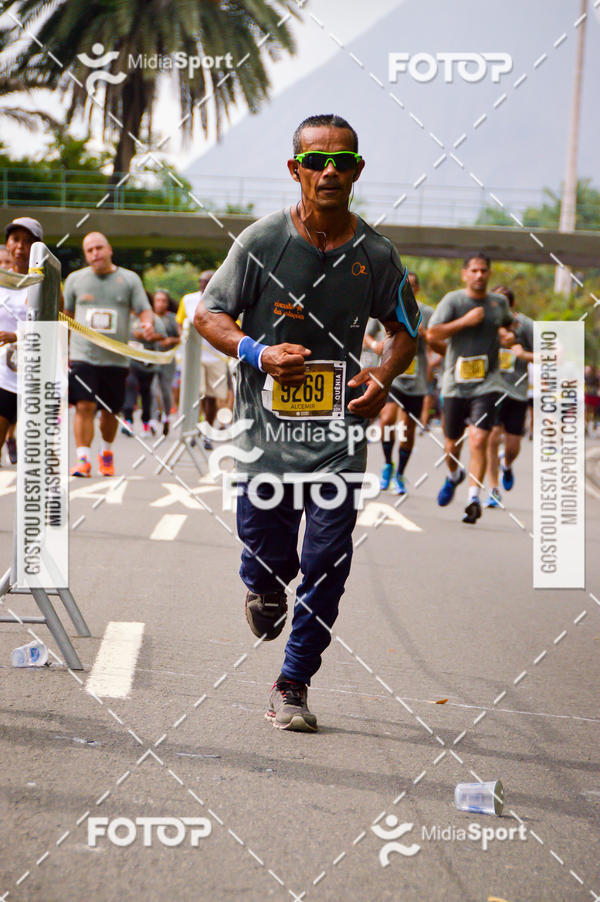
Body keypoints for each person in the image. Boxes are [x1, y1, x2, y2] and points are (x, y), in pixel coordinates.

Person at [194, 113, 419, 731]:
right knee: (270, 560)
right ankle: (263, 586)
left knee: (328, 561)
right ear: (295, 170)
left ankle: (293, 683)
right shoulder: (262, 242)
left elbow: (405, 333)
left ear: (358, 170)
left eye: (342, 161)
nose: (330, 172)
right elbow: (208, 315)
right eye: (317, 161)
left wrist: (384, 375)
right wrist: (259, 354)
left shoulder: (375, 254)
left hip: (337, 441)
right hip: (264, 440)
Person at [427, 252, 513, 524]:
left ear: (489, 273)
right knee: (451, 447)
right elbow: (433, 334)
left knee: (478, 439)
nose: (479, 275)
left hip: (487, 384)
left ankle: (473, 498)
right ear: (465, 274)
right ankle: (454, 475)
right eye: (474, 270)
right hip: (454, 384)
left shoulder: (498, 303)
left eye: (484, 271)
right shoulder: (454, 301)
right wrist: (464, 322)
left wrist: (508, 335)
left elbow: (509, 324)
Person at [64, 231, 153, 477]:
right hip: (82, 356)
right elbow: (66, 317)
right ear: (85, 255)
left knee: (109, 411)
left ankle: (107, 453)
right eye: (89, 250)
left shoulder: (129, 279)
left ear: (109, 249)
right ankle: (83, 459)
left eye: (99, 248)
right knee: (84, 405)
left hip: (115, 358)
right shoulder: (74, 280)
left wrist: (147, 324)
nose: (95, 254)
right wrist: (63, 350)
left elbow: (144, 310)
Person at [369, 272, 439, 494]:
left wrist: (424, 334)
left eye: (412, 286)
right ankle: (388, 464)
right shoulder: (385, 307)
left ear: (416, 290)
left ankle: (400, 474)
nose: (408, 288)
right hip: (391, 375)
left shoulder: (426, 312)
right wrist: (375, 346)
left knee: (408, 430)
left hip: (415, 380)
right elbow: (366, 334)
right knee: (386, 419)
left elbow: (438, 341)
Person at [484, 286, 534, 507]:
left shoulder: (525, 325)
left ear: (511, 305)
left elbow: (554, 353)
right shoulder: (484, 322)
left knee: (513, 446)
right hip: (491, 390)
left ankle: (507, 464)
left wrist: (525, 354)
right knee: (492, 438)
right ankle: (493, 489)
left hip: (517, 392)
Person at [0, 219, 43, 464]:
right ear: (8, 244)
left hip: (36, 376)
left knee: (36, 459)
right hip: (3, 375)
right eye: (16, 240)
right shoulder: (1, 281)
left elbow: (53, 327)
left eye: (28, 242)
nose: (20, 247)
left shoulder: (46, 283)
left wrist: (16, 336)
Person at [181, 271, 230, 450]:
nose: (204, 285)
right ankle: (195, 428)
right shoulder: (188, 300)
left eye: (208, 281)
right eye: (201, 281)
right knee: (198, 394)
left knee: (214, 396)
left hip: (217, 356)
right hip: (195, 357)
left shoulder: (225, 298)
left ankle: (208, 431)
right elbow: (181, 324)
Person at [122, 304, 167, 435]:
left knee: (145, 391)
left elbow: (162, 335)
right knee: (130, 384)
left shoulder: (153, 318)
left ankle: (146, 423)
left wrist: (145, 336)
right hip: (130, 360)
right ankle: (128, 420)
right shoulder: (128, 316)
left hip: (147, 362)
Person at [151, 289, 181, 435]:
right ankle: (153, 417)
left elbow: (182, 337)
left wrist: (171, 340)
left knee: (165, 389)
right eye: (158, 300)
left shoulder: (173, 319)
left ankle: (166, 416)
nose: (160, 303)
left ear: (167, 303)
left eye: (163, 300)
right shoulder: (148, 317)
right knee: (153, 388)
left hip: (168, 359)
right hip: (151, 358)